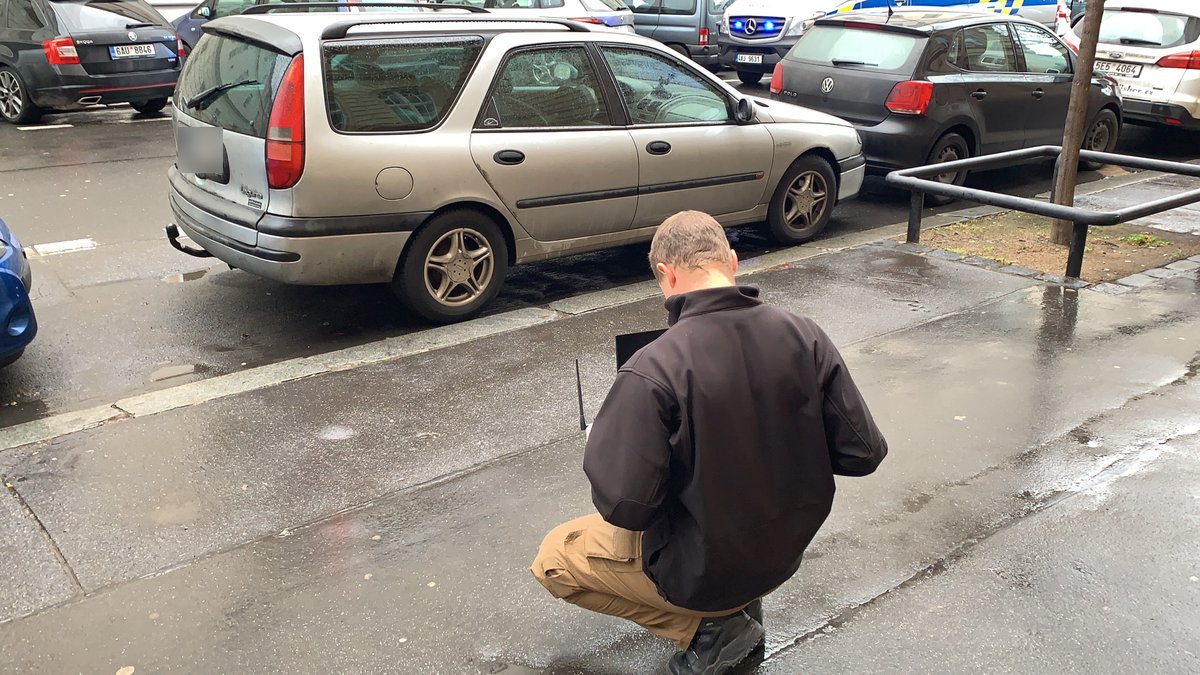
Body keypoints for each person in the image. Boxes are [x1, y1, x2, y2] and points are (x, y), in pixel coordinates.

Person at [531, 210, 888, 675]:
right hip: (782, 554)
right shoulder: (806, 335)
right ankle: (736, 608)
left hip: (702, 566)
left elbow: (627, 507)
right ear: (732, 262)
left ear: (666, 273)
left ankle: (712, 629)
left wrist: (608, 440)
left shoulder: (653, 366)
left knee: (554, 558)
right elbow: (863, 454)